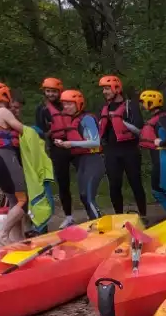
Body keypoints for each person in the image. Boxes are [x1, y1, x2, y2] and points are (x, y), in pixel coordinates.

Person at [0, 82, 27, 244]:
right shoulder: (2, 111)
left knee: (14, 200)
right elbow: (22, 129)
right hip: (6, 157)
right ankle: (2, 235)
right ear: (5, 95)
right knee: (23, 200)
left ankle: (17, 239)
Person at [98, 75, 147, 217]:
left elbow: (140, 129)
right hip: (111, 152)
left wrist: (120, 120)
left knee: (135, 183)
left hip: (129, 150)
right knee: (114, 186)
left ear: (117, 89)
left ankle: (143, 216)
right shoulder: (105, 108)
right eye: (104, 89)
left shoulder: (130, 106)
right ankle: (119, 216)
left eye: (107, 89)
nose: (104, 92)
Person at [53, 89, 104, 220]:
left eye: (69, 104)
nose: (66, 107)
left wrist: (71, 144)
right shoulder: (74, 120)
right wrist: (63, 143)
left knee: (88, 195)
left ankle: (99, 224)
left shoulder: (87, 119)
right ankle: (94, 222)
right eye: (64, 104)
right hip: (82, 161)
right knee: (83, 195)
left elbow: (95, 142)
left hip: (93, 160)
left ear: (78, 103)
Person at [35, 77, 76, 226]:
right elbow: (40, 131)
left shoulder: (69, 103)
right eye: (48, 91)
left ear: (60, 91)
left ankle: (92, 209)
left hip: (75, 145)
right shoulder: (42, 109)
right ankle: (69, 216)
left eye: (54, 91)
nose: (51, 94)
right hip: (57, 148)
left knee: (85, 180)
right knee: (63, 183)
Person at [138, 89, 166, 217]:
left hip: (164, 157)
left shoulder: (163, 119)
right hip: (157, 158)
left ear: (151, 103)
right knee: (156, 190)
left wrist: (160, 143)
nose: (142, 105)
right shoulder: (157, 118)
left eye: (144, 102)